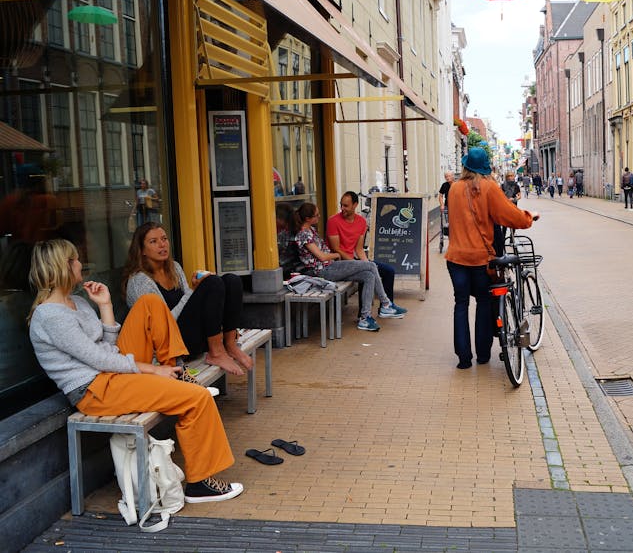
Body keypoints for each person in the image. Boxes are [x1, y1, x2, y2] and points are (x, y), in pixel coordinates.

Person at [28, 239, 243, 503]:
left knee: (150, 303)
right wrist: (152, 371)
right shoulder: (50, 316)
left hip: (111, 373)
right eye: (75, 260)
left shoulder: (77, 302)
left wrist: (105, 306)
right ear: (62, 266)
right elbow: (97, 359)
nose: (80, 264)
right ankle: (200, 484)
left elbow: (106, 349)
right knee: (196, 398)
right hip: (95, 390)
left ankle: (176, 369)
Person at [444, 148, 537, 369]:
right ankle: (483, 354)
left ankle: (463, 359)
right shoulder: (488, 188)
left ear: (465, 166)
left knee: (460, 304)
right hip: (480, 260)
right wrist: (528, 218)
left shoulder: (453, 189)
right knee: (484, 303)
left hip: (456, 258)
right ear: (485, 168)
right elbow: (509, 214)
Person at [124, 223, 251, 376]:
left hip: (192, 337)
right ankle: (216, 353)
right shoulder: (139, 281)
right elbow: (164, 325)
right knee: (212, 283)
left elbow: (190, 305)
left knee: (232, 280)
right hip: (170, 346)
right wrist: (195, 290)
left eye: (164, 239)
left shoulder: (174, 268)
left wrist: (197, 292)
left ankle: (230, 344)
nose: (162, 244)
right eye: (153, 241)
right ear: (142, 250)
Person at [294, 202, 406, 332]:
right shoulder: (303, 234)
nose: (319, 217)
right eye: (316, 215)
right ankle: (386, 304)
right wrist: (336, 255)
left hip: (330, 267)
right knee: (370, 265)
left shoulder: (310, 230)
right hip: (323, 271)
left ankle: (365, 318)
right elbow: (322, 257)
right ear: (308, 219)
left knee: (368, 275)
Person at [326, 190, 401, 305]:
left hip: (353, 260)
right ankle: (365, 314)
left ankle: (386, 307)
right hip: (339, 263)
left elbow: (359, 249)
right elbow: (337, 249)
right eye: (341, 205)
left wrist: (364, 262)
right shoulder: (333, 221)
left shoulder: (361, 222)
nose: (342, 208)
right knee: (366, 271)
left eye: (346, 205)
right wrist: (360, 264)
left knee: (389, 271)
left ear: (355, 205)